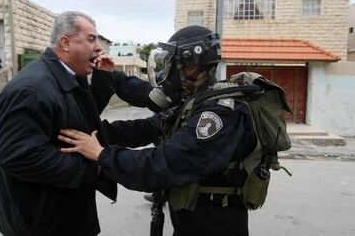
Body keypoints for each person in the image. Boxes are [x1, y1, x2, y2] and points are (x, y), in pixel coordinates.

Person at [58, 25, 257, 236]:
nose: (167, 70)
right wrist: (95, 133)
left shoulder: (219, 114)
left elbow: (161, 165)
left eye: (172, 63)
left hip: (214, 226)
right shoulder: (193, 100)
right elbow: (147, 127)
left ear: (192, 66)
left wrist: (101, 154)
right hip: (193, 220)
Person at [0, 11, 117, 236]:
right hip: (42, 223)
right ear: (66, 43)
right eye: (91, 39)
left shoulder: (67, 76)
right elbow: (19, 156)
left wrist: (104, 77)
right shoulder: (31, 90)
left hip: (62, 214)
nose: (98, 47)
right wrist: (92, 168)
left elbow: (81, 116)